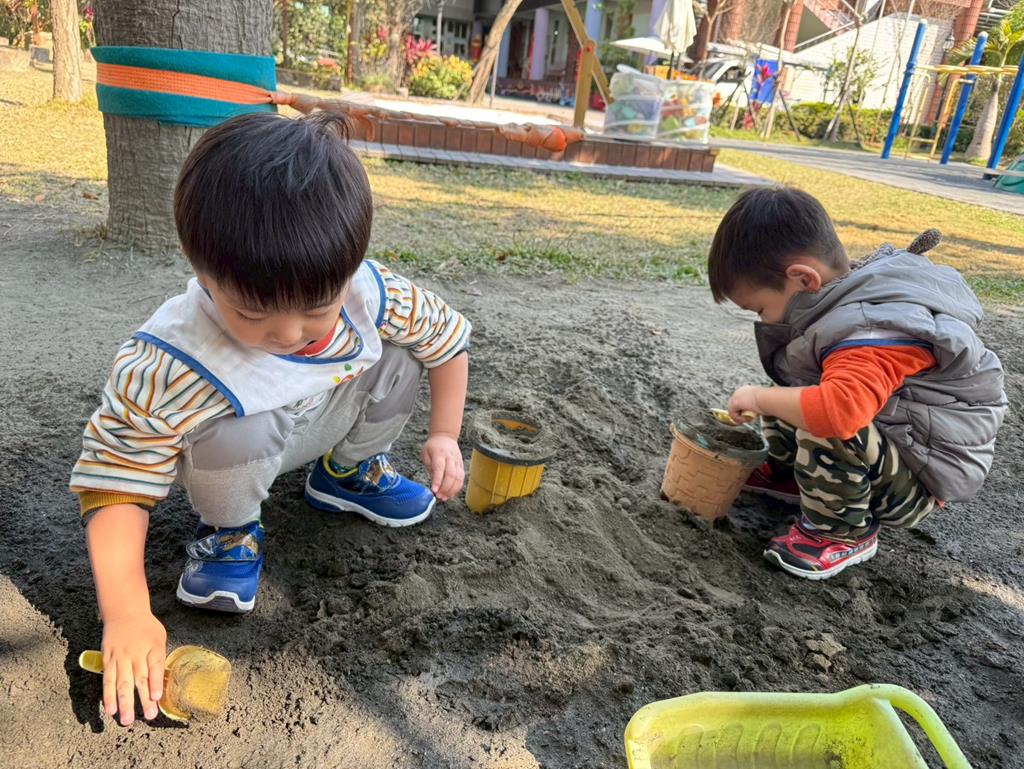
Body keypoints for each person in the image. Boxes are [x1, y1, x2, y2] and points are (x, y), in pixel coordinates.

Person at [70, 112, 471, 726]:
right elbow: (115, 477)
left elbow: (447, 342)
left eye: (317, 308)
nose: (288, 334)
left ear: (349, 269)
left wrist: (444, 434)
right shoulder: (172, 359)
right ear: (203, 275)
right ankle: (230, 531)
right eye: (253, 314)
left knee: (401, 354)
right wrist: (125, 612)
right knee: (241, 423)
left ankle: (348, 472)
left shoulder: (373, 293)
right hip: (236, 445)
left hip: (320, 419)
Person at [708, 187, 1007, 581]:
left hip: (917, 480)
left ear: (803, 278)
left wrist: (759, 398)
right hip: (895, 437)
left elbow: (840, 413)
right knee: (794, 395)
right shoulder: (848, 301)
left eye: (760, 308)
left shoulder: (873, 331)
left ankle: (843, 532)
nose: (763, 321)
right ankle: (791, 476)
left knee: (826, 416)